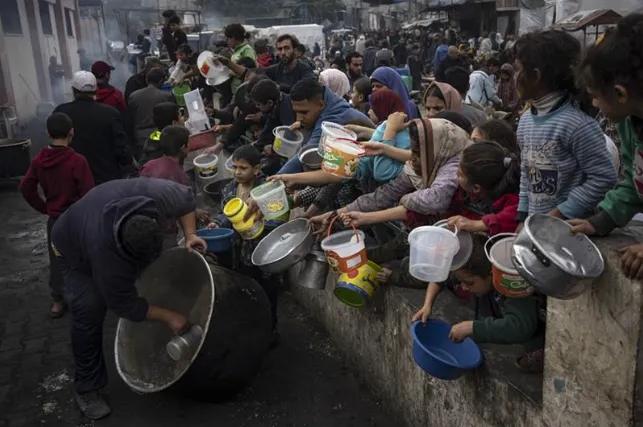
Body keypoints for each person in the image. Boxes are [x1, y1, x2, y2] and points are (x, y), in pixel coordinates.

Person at [51, 178, 206, 419]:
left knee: (152, 277)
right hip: (70, 247)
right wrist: (168, 316)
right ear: (123, 252)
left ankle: (159, 322)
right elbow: (123, 305)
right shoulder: (105, 257)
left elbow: (186, 200)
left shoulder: (156, 196)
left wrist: (190, 235)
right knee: (89, 309)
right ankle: (87, 388)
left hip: (97, 216)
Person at [512, 29, 617, 223]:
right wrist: (523, 214)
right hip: (539, 226)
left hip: (568, 229)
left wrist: (560, 213)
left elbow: (603, 178)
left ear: (535, 76)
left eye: (518, 69)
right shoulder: (526, 121)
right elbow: (527, 173)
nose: (514, 75)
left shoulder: (576, 125)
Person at [569, 13, 643, 279]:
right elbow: (634, 183)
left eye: (596, 97)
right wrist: (600, 220)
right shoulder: (630, 124)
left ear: (620, 94)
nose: (596, 106)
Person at [311, 118, 470, 229]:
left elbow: (435, 200)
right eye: (411, 151)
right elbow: (381, 196)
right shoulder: (427, 161)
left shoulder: (455, 164)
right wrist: (333, 215)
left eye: (417, 153)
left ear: (435, 151)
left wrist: (406, 199)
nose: (411, 158)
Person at [410, 235, 543, 365]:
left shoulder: (512, 283)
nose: (464, 287)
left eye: (470, 283)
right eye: (461, 282)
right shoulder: (469, 272)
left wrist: (473, 327)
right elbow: (440, 279)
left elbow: (520, 327)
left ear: (491, 274)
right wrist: (427, 305)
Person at [19, 113, 94, 318]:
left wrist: (44, 207)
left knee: (56, 260)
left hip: (55, 220)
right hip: (76, 219)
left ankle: (58, 301)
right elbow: (88, 193)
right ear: (72, 133)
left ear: (47, 133)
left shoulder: (38, 161)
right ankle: (86, 296)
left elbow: (26, 187)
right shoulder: (77, 161)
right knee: (82, 257)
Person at [208, 145, 279, 339]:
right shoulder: (230, 189)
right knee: (245, 288)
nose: (237, 172)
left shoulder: (266, 188)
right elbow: (225, 213)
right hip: (239, 251)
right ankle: (252, 330)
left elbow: (278, 215)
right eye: (235, 167)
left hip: (265, 250)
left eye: (243, 168)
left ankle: (270, 330)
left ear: (256, 169)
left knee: (268, 291)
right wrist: (217, 224)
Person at [275, 78, 373, 175]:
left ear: (321, 105)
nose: (298, 118)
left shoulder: (333, 119)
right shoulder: (329, 100)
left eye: (303, 112)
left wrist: (277, 179)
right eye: (296, 112)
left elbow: (306, 152)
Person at [53, 71, 133, 184]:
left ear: (73, 90)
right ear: (96, 90)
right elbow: (121, 149)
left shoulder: (61, 112)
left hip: (73, 180)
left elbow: (55, 145)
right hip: (106, 179)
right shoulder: (110, 113)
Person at [248, 79, 296, 174]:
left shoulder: (287, 111)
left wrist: (273, 148)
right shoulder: (276, 105)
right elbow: (270, 127)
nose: (257, 107)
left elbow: (290, 138)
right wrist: (256, 148)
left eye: (258, 104)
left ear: (269, 102)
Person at [126, 68, 175, 161]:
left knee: (145, 168)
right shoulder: (166, 96)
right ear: (161, 81)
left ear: (146, 80)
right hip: (160, 137)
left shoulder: (133, 96)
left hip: (140, 139)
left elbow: (129, 119)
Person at [224, 23, 257, 92]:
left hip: (244, 90)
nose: (227, 41)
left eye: (229, 38)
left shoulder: (247, 49)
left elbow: (251, 70)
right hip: (236, 89)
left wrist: (233, 71)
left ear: (234, 38)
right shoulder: (236, 51)